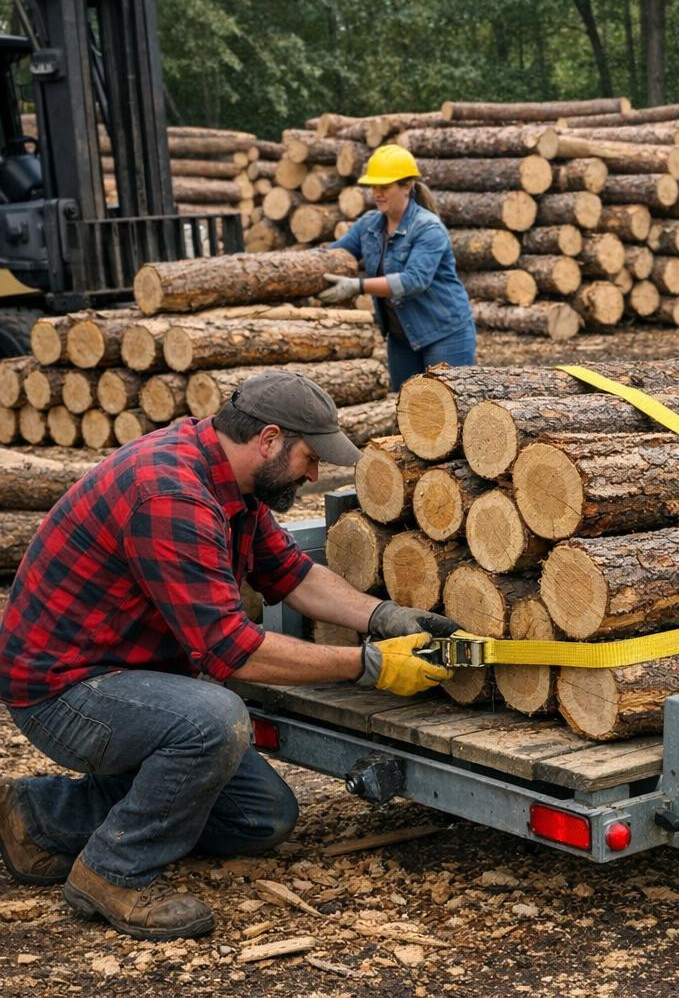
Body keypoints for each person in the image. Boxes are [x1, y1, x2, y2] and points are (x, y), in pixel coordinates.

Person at [0, 371, 460, 941]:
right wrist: (371, 664)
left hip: (128, 675)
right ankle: (113, 873)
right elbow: (232, 653)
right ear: (268, 439)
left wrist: (381, 617)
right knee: (212, 721)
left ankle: (38, 815)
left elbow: (291, 574)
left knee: (260, 818)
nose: (315, 473)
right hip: (64, 691)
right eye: (309, 458)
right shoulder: (171, 493)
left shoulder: (230, 482)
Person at [320, 144, 477, 390]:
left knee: (451, 408)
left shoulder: (428, 228)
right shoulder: (369, 225)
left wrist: (357, 286)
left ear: (406, 186)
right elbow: (336, 254)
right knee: (406, 409)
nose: (377, 193)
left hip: (445, 333)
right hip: (402, 335)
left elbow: (414, 281)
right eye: (374, 187)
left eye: (384, 187)